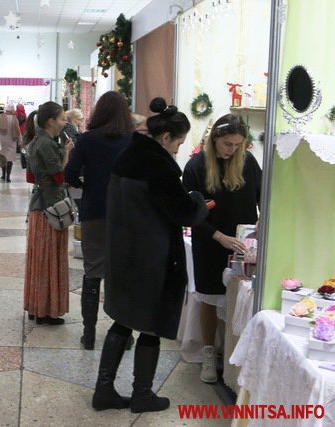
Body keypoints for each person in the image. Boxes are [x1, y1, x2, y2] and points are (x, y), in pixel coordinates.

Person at [92, 97, 207, 413]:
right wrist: (197, 199)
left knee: (123, 321)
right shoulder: (159, 167)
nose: (178, 150)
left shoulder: (128, 155)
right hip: (151, 258)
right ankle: (142, 394)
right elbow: (184, 212)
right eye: (179, 143)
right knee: (151, 325)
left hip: (124, 253)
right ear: (166, 137)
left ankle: (103, 390)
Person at [183, 113, 261, 384]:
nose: (233, 149)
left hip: (242, 244)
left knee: (239, 297)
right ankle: (209, 352)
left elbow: (264, 195)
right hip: (209, 242)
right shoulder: (196, 167)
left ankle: (232, 354)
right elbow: (189, 213)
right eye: (228, 144)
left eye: (238, 145)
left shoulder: (248, 162)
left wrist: (262, 220)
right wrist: (218, 236)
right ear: (215, 138)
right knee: (208, 297)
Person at [64, 91, 133, 350]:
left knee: (93, 272)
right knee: (123, 275)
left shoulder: (87, 139)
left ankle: (89, 334)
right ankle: (124, 334)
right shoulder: (132, 140)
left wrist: (86, 183)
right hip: (125, 215)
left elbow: (70, 173)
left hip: (94, 211)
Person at [23, 102, 74, 325]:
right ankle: (46, 309)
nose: (65, 122)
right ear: (51, 121)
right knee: (51, 259)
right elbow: (59, 176)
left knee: (39, 260)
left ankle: (36, 305)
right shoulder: (48, 144)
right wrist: (67, 154)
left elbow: (30, 177)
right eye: (62, 119)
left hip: (38, 205)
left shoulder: (35, 141)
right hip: (52, 208)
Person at [0, 104, 22, 182]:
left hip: (2, 140)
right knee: (10, 159)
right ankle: (8, 177)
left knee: (3, 158)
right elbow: (18, 130)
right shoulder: (14, 118)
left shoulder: (0, 117)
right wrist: (20, 140)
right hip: (12, 140)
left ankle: (3, 175)